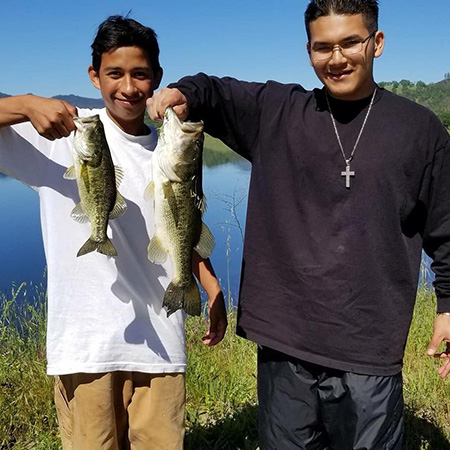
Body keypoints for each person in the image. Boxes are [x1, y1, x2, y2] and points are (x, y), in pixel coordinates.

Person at [147, 0, 450, 448]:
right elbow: (213, 89)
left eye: (350, 42)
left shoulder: (419, 129)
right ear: (308, 50)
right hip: (284, 340)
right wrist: (181, 94)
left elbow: (445, 225)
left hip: (369, 343)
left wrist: (447, 303)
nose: (337, 58)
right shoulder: (277, 111)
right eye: (322, 47)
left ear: (377, 43)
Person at [0, 15, 227, 450]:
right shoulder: (67, 132)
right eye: (114, 74)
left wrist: (210, 281)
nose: (128, 87)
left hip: (162, 344)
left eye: (140, 74)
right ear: (94, 76)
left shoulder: (168, 148)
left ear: (156, 78)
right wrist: (25, 103)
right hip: (87, 344)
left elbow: (181, 220)